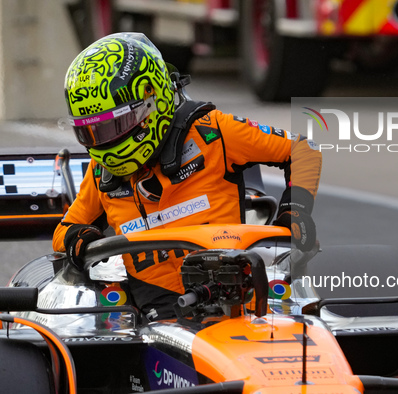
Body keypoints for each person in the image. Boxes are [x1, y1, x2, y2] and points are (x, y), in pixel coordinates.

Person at [52, 32, 322, 320]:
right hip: (154, 319)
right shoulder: (100, 173)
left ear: (150, 101)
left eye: (114, 126)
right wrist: (77, 239)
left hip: (234, 304)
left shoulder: (213, 132)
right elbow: (64, 230)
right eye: (93, 132)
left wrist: (295, 211)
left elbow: (303, 149)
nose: (104, 142)